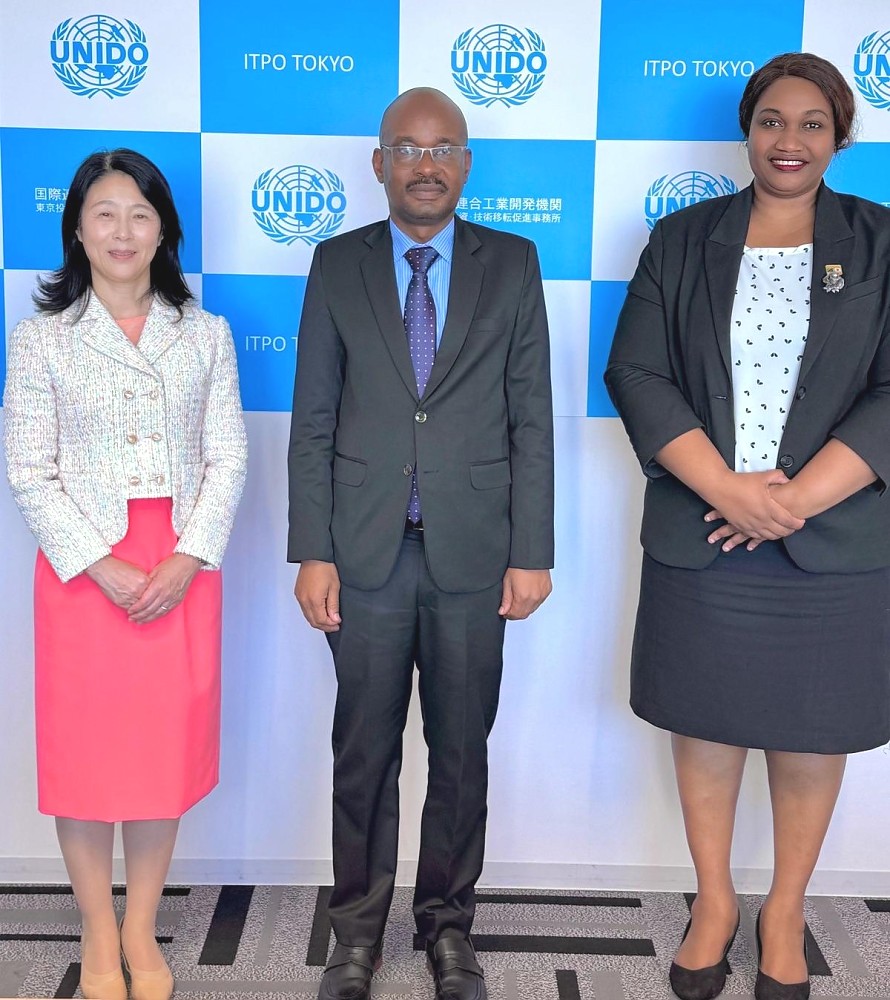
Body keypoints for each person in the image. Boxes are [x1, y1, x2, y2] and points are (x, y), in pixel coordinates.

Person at [606, 52, 890, 1000]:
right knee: (709, 724)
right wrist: (729, 492)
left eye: (813, 124)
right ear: (748, 129)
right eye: (774, 120)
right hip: (705, 529)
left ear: (839, 138)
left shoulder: (882, 241)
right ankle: (716, 901)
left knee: (812, 734)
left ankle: (784, 909)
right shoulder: (683, 238)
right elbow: (637, 373)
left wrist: (795, 502)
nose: (790, 141)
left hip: (834, 540)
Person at [288, 87, 554, 1000]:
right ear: (380, 165)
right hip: (361, 556)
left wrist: (533, 549)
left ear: (467, 163)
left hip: (476, 554)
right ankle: (354, 932)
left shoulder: (513, 263)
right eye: (407, 148)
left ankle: (447, 929)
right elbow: (314, 417)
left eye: (444, 148)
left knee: (461, 749)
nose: (426, 164)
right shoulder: (336, 264)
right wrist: (310, 549)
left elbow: (532, 418)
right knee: (363, 750)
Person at [4, 149, 247, 1000]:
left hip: (181, 563)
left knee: (158, 757)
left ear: (163, 230)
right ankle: (97, 932)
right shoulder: (42, 338)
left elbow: (229, 457)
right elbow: (29, 469)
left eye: (139, 214)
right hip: (83, 572)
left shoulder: (204, 333)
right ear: (76, 227)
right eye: (104, 213)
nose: (122, 231)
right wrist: (98, 564)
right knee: (85, 757)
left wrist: (189, 554)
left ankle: (141, 927)